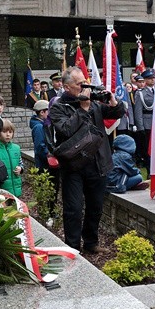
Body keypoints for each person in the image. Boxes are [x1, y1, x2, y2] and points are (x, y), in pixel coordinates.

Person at [49, 66, 125, 254]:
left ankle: (91, 243)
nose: (85, 87)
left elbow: (116, 113)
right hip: (73, 166)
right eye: (80, 84)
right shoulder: (59, 107)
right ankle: (73, 247)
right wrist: (82, 110)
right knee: (73, 209)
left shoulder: (94, 103)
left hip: (97, 164)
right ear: (67, 87)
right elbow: (65, 130)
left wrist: (114, 101)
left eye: (86, 81)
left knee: (95, 207)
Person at [0, 119, 23, 197]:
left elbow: (20, 162)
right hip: (2, 189)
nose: (8, 134)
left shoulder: (16, 148)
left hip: (16, 187)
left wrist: (21, 169)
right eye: (4, 132)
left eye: (10, 132)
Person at [133, 68, 155, 169]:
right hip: (147, 122)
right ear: (145, 80)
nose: (153, 80)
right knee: (148, 147)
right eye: (150, 78)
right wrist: (140, 127)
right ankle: (149, 167)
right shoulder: (140, 93)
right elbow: (138, 111)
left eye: (153, 78)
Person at [29, 100, 50, 170]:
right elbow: (40, 147)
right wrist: (49, 157)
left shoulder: (42, 124)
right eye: (49, 111)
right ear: (42, 112)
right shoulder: (39, 127)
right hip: (43, 165)